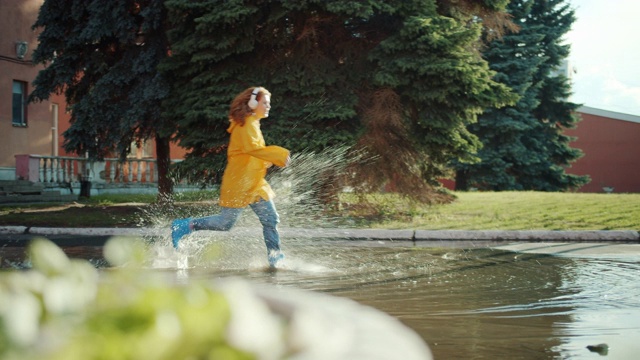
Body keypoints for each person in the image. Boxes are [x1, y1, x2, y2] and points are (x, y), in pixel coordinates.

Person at [171, 86, 290, 268]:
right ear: (252, 103)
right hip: (239, 182)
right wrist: (279, 155)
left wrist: (268, 161)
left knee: (271, 219)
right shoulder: (247, 124)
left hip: (254, 183)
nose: (268, 106)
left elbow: (251, 154)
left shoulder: (252, 123)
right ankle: (185, 226)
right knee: (225, 223)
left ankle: (275, 257)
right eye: (265, 103)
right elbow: (252, 149)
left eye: (269, 103)